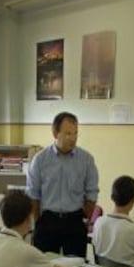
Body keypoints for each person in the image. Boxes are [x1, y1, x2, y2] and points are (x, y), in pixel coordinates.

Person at [27, 111, 99, 258]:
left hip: (75, 221)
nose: (73, 138)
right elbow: (33, 195)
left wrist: (85, 220)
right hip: (48, 221)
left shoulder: (86, 160)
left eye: (75, 133)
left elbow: (92, 193)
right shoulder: (40, 160)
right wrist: (37, 222)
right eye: (68, 134)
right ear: (55, 133)